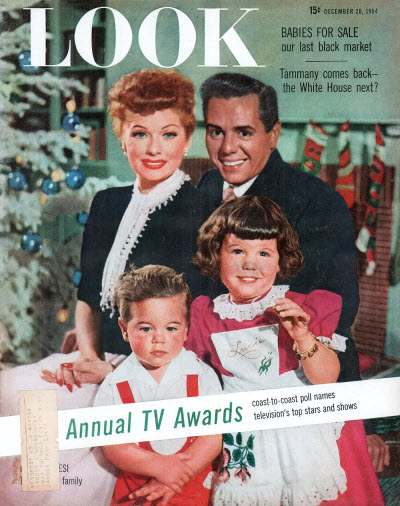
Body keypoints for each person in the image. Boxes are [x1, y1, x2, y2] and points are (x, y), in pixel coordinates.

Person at [196, 72, 389, 470]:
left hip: (294, 383)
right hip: (211, 374)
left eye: (244, 132)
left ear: (274, 133)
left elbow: (335, 315)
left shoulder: (317, 201)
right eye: (216, 131)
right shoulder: (206, 187)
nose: (228, 147)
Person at [186, 195, 384, 505]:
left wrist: (303, 337)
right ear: (215, 255)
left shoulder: (301, 308)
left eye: (264, 253)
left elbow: (326, 378)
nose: (250, 264)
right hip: (244, 438)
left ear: (280, 261)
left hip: (300, 432)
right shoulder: (204, 315)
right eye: (237, 251)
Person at [41, 68, 216, 390]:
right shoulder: (106, 202)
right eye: (139, 134)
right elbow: (88, 296)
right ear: (122, 137)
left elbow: (198, 326)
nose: (154, 149)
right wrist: (89, 358)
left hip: (164, 373)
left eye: (168, 134)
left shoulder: (206, 212)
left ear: (187, 140)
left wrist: (116, 376)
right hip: (99, 359)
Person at [94, 264, 222, 506]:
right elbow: (114, 446)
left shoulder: (201, 375)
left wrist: (176, 477)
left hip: (191, 487)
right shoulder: (115, 384)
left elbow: (212, 438)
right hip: (137, 491)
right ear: (124, 329)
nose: (159, 338)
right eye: (145, 328)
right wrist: (160, 466)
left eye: (171, 328)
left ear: (186, 329)